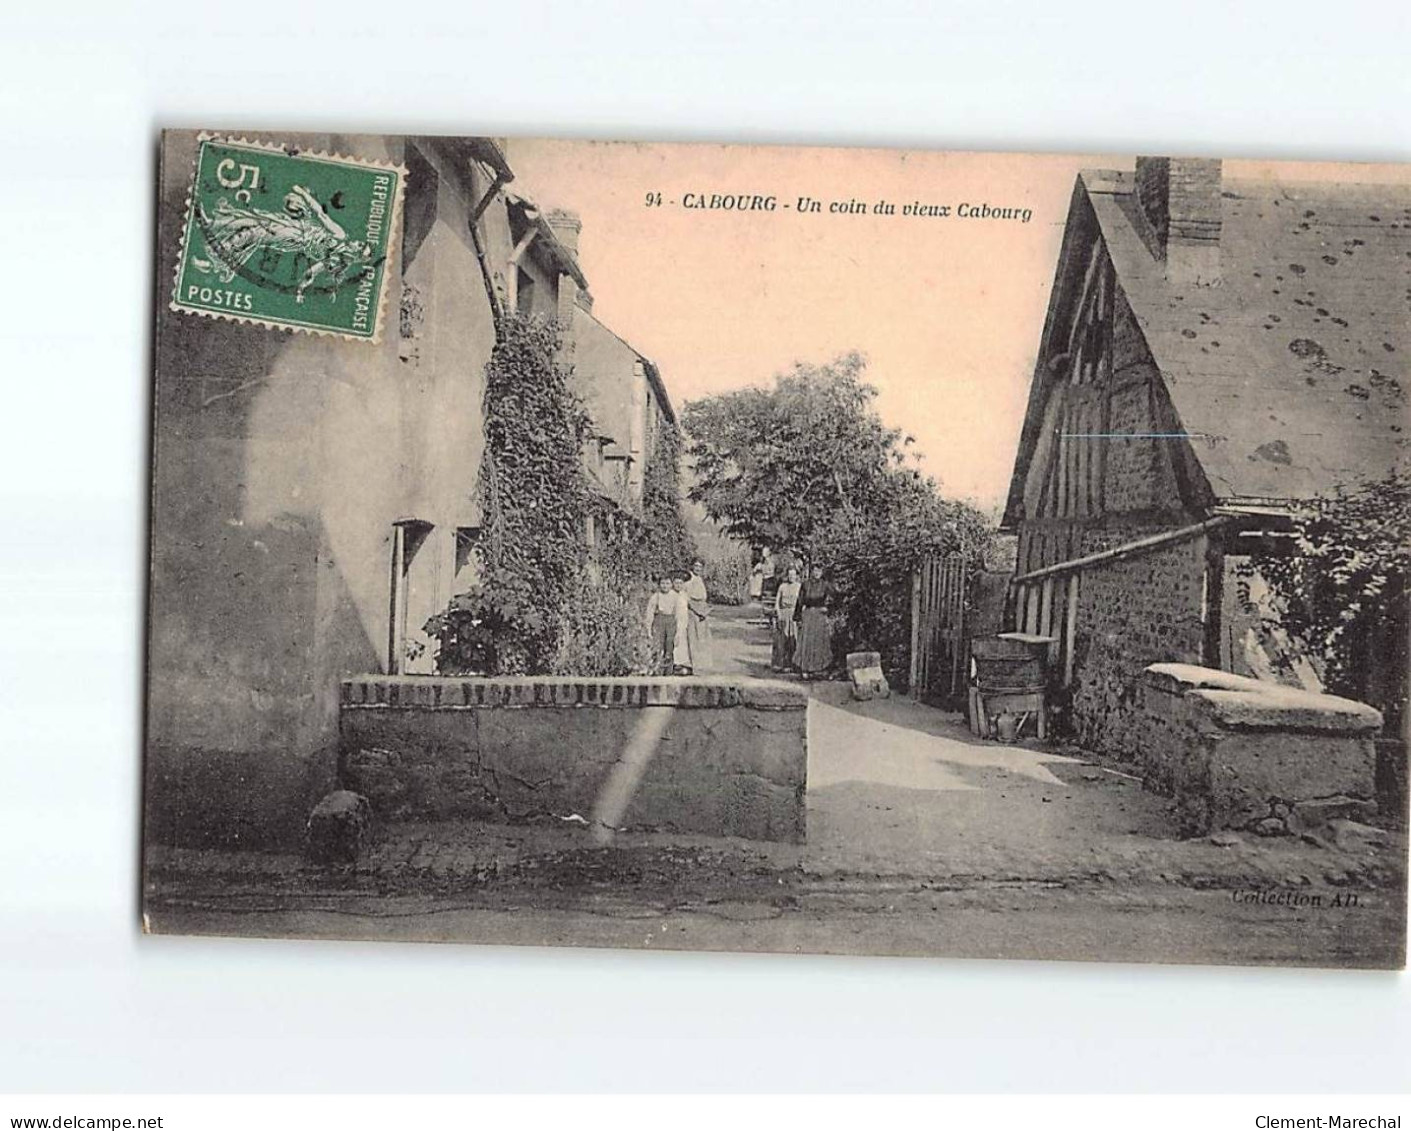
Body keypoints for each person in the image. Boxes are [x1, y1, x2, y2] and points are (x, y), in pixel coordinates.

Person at [793, 564, 834, 678]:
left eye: (819, 571)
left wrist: (828, 609)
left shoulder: (825, 585)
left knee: (820, 641)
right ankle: (805, 669)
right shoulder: (805, 584)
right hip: (808, 615)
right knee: (807, 642)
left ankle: (819, 669)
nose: (817, 573)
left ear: (821, 573)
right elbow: (799, 601)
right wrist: (797, 617)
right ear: (812, 572)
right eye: (815, 571)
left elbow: (836, 598)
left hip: (820, 615)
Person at [644, 575, 684, 672]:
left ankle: (668, 671)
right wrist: (648, 629)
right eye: (662, 583)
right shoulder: (656, 596)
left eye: (667, 583)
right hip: (659, 622)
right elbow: (649, 613)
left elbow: (679, 615)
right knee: (658, 646)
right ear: (659, 584)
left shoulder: (676, 597)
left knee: (669, 646)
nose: (665, 586)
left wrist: (679, 632)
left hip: (671, 622)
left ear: (671, 585)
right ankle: (657, 670)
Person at [680, 559, 714, 674]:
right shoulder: (688, 580)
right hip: (693, 613)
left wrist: (705, 609)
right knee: (692, 638)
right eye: (696, 566)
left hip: (702, 613)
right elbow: (687, 598)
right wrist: (698, 611)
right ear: (691, 566)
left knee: (702, 639)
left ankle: (701, 665)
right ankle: (691, 665)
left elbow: (703, 597)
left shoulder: (700, 579)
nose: (698, 569)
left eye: (700, 567)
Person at [772, 565, 802, 672]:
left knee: (794, 640)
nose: (791, 577)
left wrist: (800, 617)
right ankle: (782, 664)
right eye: (790, 574)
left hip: (794, 614)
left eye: (793, 575)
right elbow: (777, 602)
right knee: (782, 640)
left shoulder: (799, 587)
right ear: (787, 575)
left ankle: (794, 664)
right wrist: (779, 614)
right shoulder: (782, 587)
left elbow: (802, 603)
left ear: (796, 576)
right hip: (784, 614)